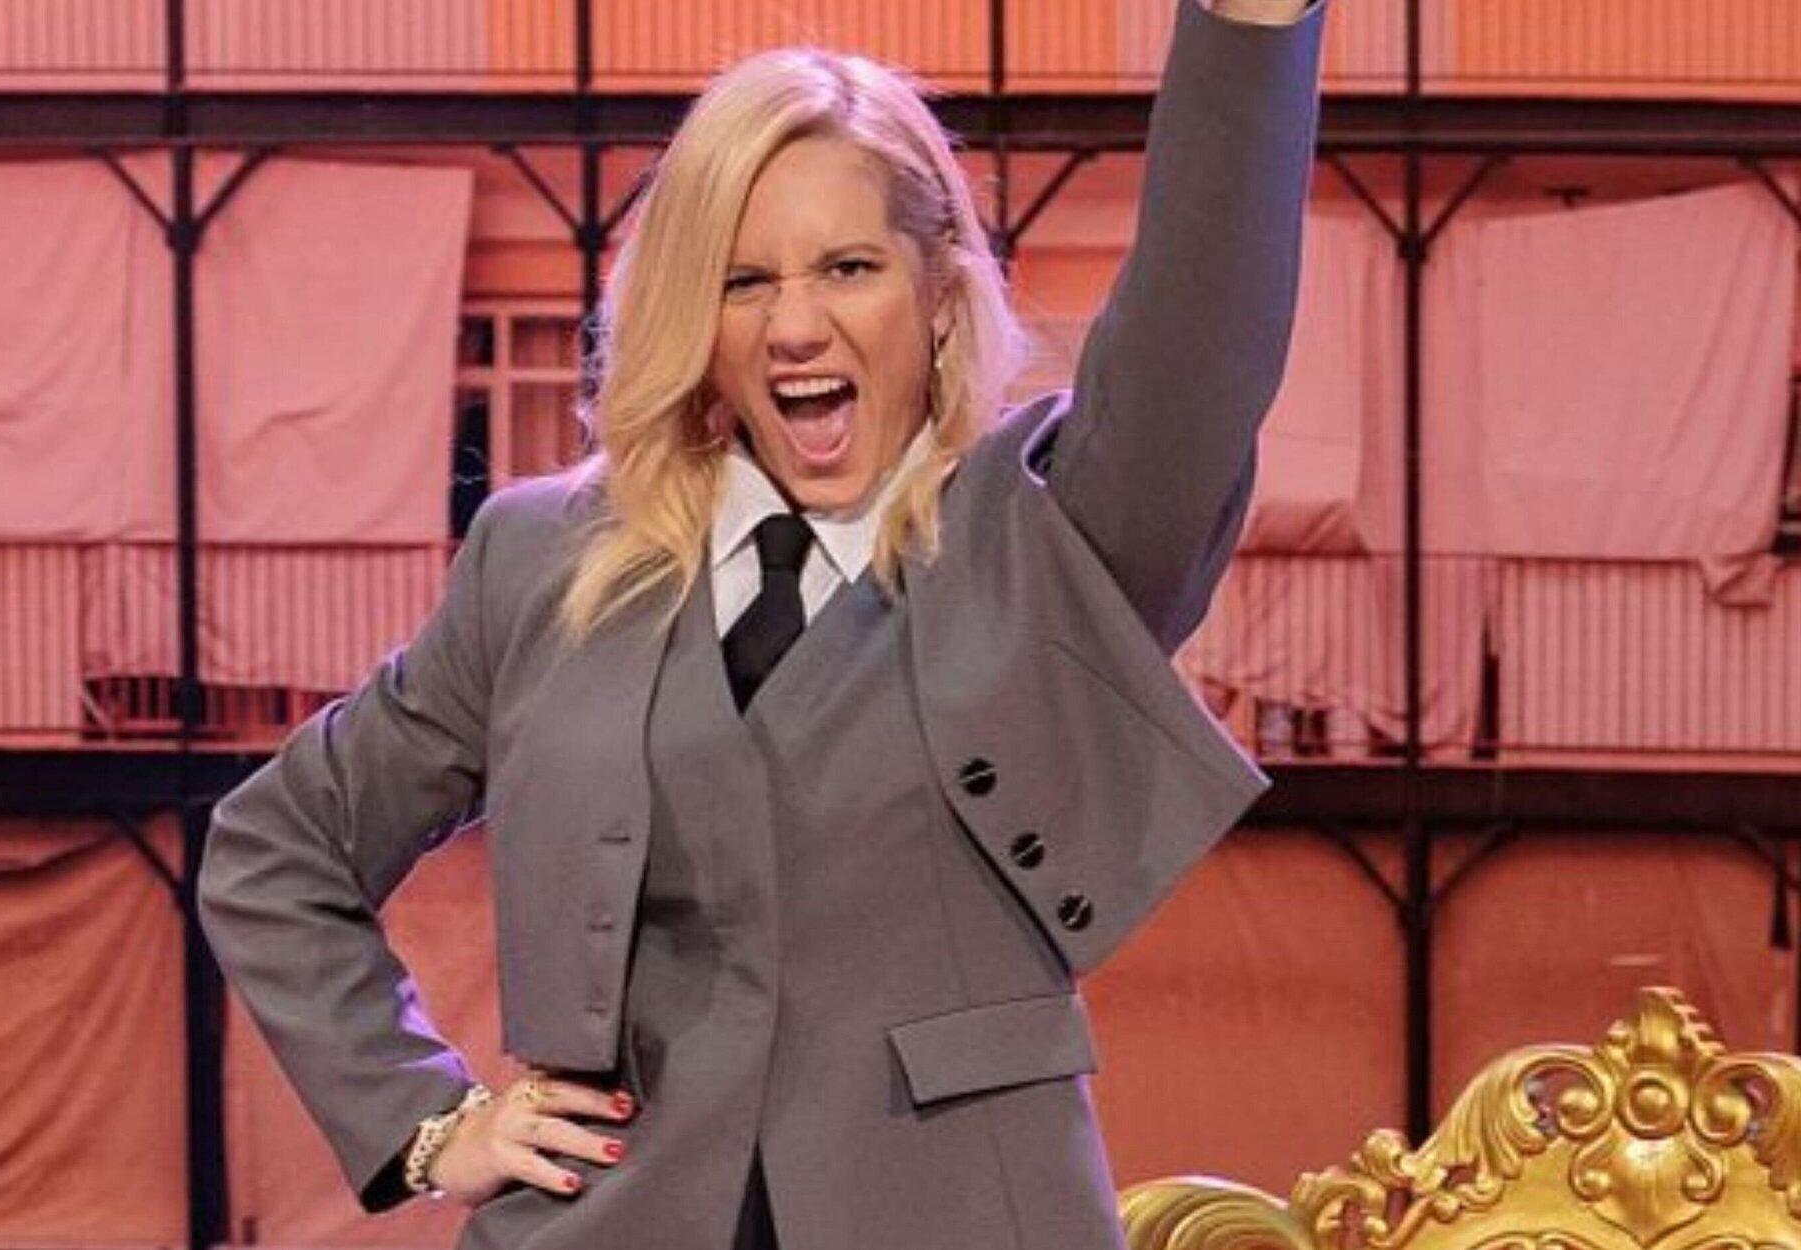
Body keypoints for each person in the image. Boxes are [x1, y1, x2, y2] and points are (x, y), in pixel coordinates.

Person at [197, 1, 1323, 1247]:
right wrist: (426, 1121)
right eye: (742, 281)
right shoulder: (540, 561)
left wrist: (1250, 25)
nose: (793, 326)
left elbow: (1197, 342)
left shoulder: (1052, 539)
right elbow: (277, 848)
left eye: (847, 268)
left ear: (938, 295)